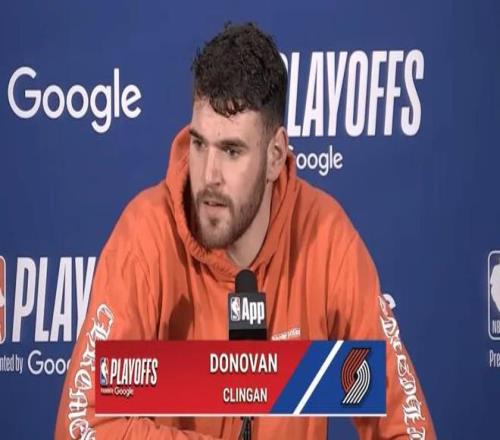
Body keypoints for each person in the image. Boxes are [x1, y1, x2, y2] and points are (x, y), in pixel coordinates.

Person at [55, 23, 436, 439]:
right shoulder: (145, 236)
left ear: (275, 156)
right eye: (199, 144)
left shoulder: (326, 236)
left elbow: (406, 424)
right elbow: (81, 426)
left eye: (232, 151)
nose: (208, 176)